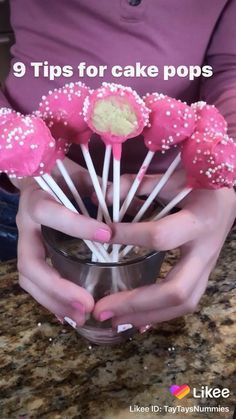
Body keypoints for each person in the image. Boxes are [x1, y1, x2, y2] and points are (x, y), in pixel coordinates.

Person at [0, 0, 235, 332]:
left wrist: (222, 177)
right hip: (29, 196)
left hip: (173, 201)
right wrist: (25, 168)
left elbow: (230, 65)